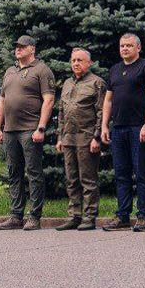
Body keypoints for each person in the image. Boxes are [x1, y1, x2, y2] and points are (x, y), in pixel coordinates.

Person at [100, 33, 145, 232]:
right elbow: (108, 100)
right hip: (118, 128)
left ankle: (143, 216)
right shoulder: (115, 70)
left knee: (141, 173)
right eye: (122, 46)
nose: (124, 49)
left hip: (138, 128)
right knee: (121, 174)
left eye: (128, 45)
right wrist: (104, 126)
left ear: (138, 47)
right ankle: (123, 215)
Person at [0, 35, 56, 231]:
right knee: (14, 172)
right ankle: (15, 215)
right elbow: (2, 101)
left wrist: (41, 127)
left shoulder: (41, 70)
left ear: (32, 49)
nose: (18, 49)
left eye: (22, 47)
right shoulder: (10, 71)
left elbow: (48, 100)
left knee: (33, 173)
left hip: (30, 129)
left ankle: (34, 216)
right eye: (16, 46)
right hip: (10, 130)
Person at [54, 48, 106, 231]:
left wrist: (97, 137)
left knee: (88, 179)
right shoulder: (67, 83)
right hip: (68, 138)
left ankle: (90, 216)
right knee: (71, 179)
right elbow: (61, 111)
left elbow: (101, 112)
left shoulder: (97, 83)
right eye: (73, 60)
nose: (76, 63)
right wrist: (60, 136)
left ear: (89, 63)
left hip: (87, 138)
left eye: (80, 60)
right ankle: (74, 215)